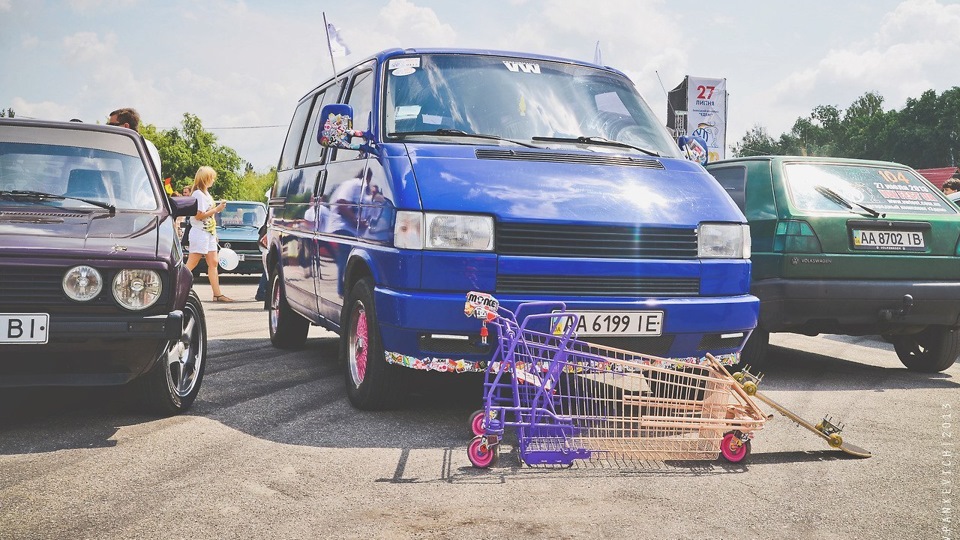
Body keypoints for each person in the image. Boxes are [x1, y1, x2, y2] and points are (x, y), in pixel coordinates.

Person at [185, 166, 232, 302]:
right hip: (200, 232)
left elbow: (207, 216)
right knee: (192, 262)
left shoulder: (205, 194)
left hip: (208, 232)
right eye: (211, 177)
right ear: (206, 178)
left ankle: (217, 294)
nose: (213, 180)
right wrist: (217, 209)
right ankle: (177, 285)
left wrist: (214, 231)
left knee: (213, 262)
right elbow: (199, 216)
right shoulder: (198, 194)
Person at [107, 108, 162, 178]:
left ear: (126, 126)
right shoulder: (149, 147)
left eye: (112, 125)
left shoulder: (145, 148)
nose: (109, 129)